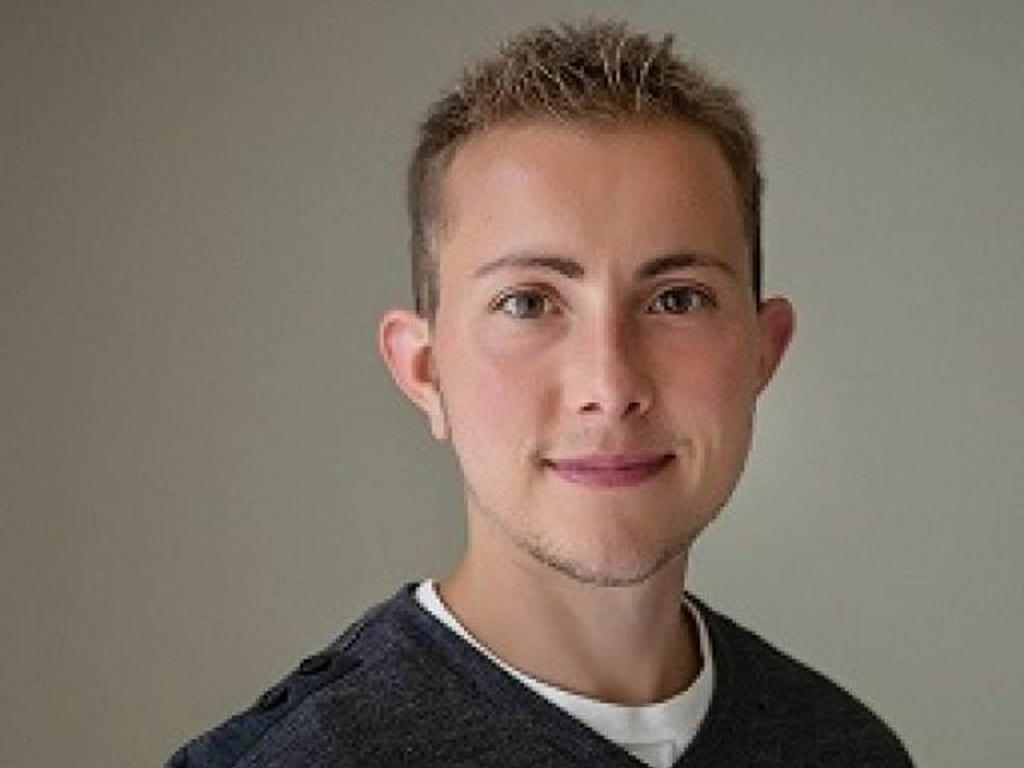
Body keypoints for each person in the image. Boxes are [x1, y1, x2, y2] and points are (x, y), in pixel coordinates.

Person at [166, 20, 914, 768]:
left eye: (676, 299)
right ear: (425, 371)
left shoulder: (846, 748)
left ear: (762, 351)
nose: (610, 385)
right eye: (529, 302)